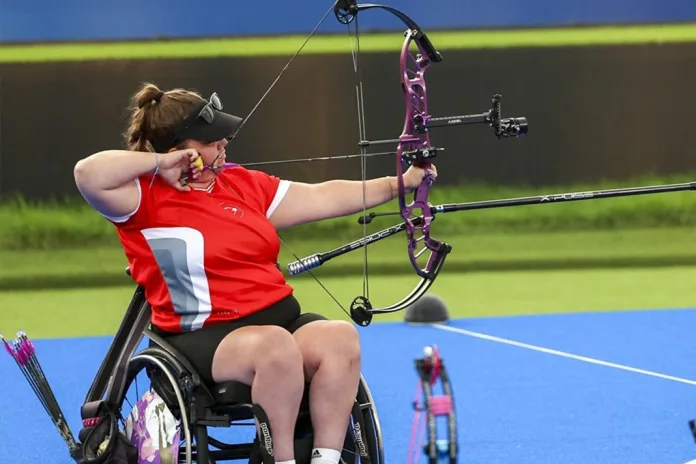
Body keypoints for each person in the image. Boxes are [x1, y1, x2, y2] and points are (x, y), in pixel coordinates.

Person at [73, 82, 437, 464]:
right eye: (213, 141)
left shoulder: (241, 184)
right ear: (182, 149)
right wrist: (160, 165)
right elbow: (87, 173)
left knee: (339, 339)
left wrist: (402, 185)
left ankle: (326, 459)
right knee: (275, 349)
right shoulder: (140, 199)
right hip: (202, 339)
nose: (224, 145)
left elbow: (324, 196)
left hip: (281, 321)